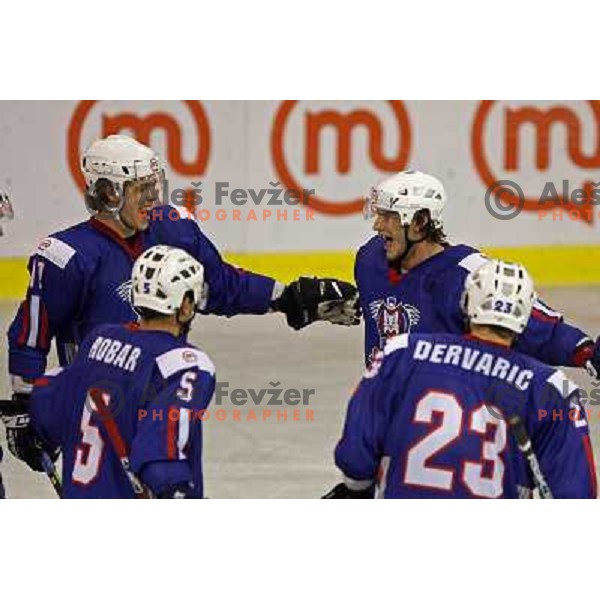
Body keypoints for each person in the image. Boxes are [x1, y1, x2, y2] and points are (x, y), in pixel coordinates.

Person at [3, 134, 359, 486]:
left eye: (153, 185)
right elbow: (30, 337)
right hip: (99, 419)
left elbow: (217, 285)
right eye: (141, 189)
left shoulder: (172, 229)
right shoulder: (67, 258)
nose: (153, 197)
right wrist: (25, 405)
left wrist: (288, 297)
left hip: (163, 404)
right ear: (110, 193)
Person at [325, 259, 598, 499]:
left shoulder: (402, 352)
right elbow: (575, 496)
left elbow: (356, 458)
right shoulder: (552, 389)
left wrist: (357, 488)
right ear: (526, 318)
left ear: (467, 303)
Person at [6, 245, 217, 498]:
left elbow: (49, 399)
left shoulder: (99, 339)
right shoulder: (186, 365)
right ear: (185, 305)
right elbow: (160, 455)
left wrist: (27, 422)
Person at [358, 169, 600, 377]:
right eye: (378, 214)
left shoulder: (470, 275)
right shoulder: (369, 260)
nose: (377, 225)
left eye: (389, 216)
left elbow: (532, 322)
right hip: (382, 410)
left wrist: (584, 352)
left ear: (420, 221)